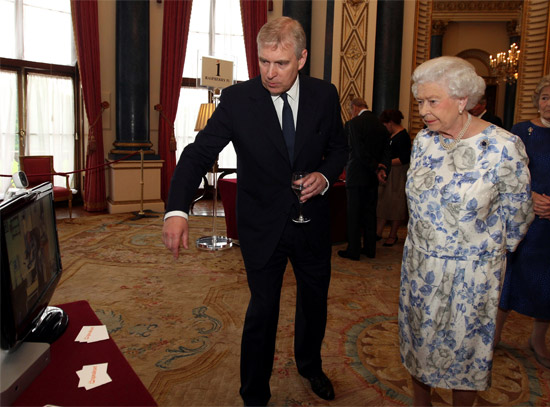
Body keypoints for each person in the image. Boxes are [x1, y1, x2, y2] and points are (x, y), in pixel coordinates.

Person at [161, 17, 347, 406]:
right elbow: (197, 154)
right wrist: (177, 208)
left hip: (312, 223)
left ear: (302, 59)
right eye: (263, 62)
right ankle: (254, 394)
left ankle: (310, 365)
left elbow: (339, 149)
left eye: (281, 63)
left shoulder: (325, 95)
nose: (270, 73)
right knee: (262, 310)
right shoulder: (237, 100)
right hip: (262, 225)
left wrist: (325, 177)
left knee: (314, 303)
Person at [398, 56, 534, 407]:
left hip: (472, 275)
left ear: (462, 100)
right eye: (420, 102)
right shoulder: (424, 141)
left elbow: (519, 214)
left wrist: (485, 252)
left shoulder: (504, 146)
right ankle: (421, 403)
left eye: (432, 101)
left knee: (465, 352)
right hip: (419, 266)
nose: (423, 111)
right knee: (419, 342)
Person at [494, 73, 550, 370]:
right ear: (537, 101)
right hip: (524, 219)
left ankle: (538, 339)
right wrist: (531, 197)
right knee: (510, 276)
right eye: (545, 97)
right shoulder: (521, 131)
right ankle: (494, 334)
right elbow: (506, 172)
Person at [338, 98, 390, 260]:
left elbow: (358, 152)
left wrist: (374, 166)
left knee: (354, 214)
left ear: (354, 107)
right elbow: (386, 151)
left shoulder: (353, 124)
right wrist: (380, 168)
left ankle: (353, 251)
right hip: (372, 177)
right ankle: (370, 249)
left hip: (356, 175)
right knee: (370, 213)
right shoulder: (381, 125)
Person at [376, 109, 411, 247]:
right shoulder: (393, 135)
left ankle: (393, 235)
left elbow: (404, 158)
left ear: (390, 122)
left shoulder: (403, 136)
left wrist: (386, 162)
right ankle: (378, 232)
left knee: (396, 204)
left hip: (398, 174)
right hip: (390, 172)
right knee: (383, 203)